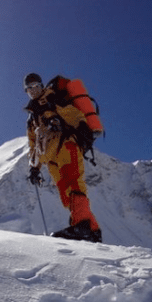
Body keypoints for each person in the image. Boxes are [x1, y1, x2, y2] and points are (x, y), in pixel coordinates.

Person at [24, 72, 102, 242]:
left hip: (65, 145)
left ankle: (81, 225)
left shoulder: (51, 98)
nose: (33, 90)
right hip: (50, 158)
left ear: (41, 86)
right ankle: (92, 230)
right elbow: (33, 144)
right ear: (26, 92)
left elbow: (72, 113)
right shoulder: (31, 117)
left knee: (74, 183)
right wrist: (34, 168)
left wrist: (80, 125)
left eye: (36, 86)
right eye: (29, 88)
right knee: (65, 194)